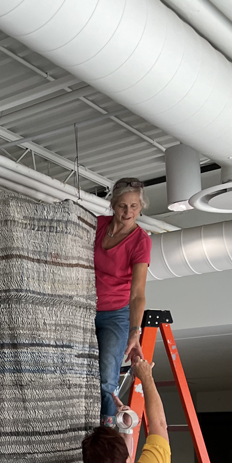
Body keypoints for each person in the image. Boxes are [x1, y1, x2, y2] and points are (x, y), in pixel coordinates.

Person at [95, 177, 152, 426]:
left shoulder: (141, 241)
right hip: (84, 308)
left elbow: (137, 293)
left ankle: (105, 430)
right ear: (113, 205)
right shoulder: (98, 225)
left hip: (115, 313)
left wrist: (134, 331)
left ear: (140, 207)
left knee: (107, 376)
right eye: (122, 206)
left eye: (134, 206)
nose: (128, 212)